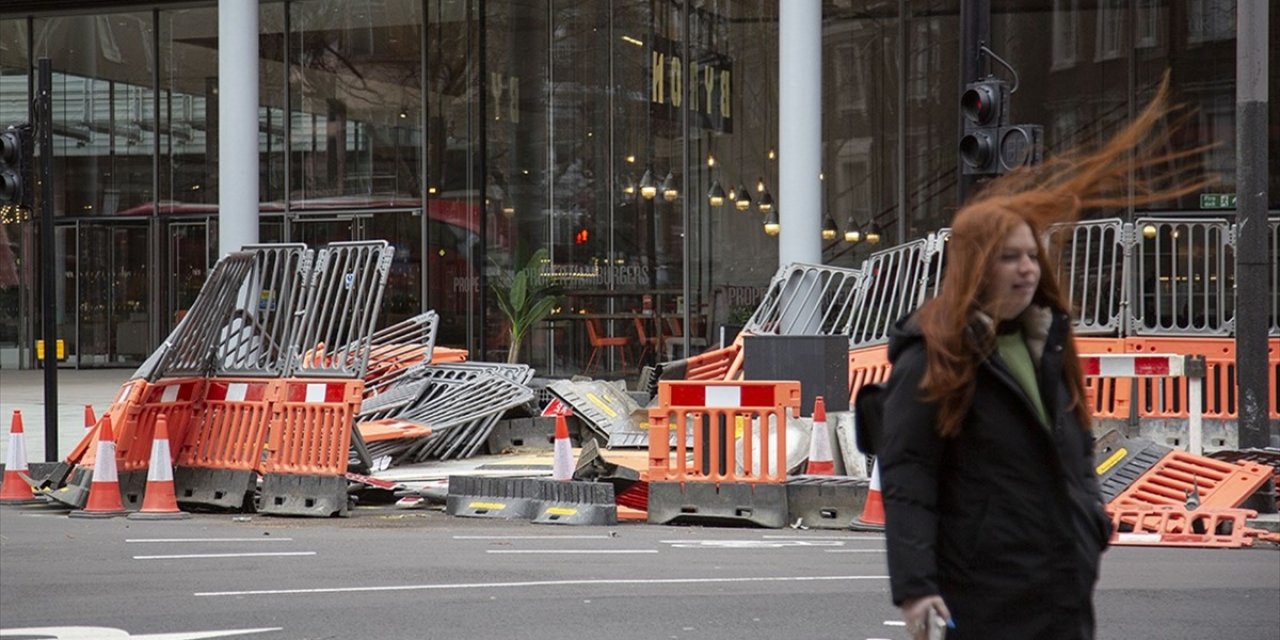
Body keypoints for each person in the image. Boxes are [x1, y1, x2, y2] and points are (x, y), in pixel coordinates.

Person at [876, 72, 1212, 640]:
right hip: (984, 595)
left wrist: (1090, 524)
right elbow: (909, 477)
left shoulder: (1045, 342)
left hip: (1059, 585)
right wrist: (916, 586)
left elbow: (1075, 447)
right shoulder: (934, 354)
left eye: (1032, 256)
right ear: (977, 265)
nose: (1028, 269)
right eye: (1010, 257)